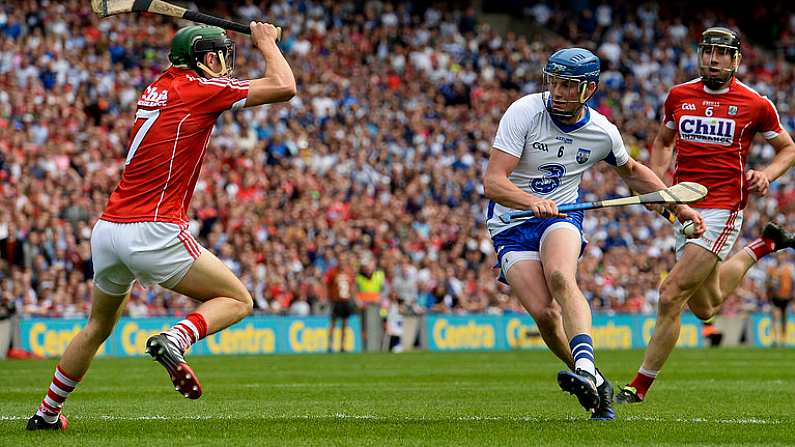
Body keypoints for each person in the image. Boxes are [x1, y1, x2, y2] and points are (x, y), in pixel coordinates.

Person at [26, 22, 295, 431]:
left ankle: (47, 413)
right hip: (153, 228)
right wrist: (266, 43)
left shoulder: (160, 85)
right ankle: (176, 340)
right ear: (205, 59)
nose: (225, 64)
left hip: (109, 229)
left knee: (97, 327)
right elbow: (284, 85)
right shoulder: (202, 90)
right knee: (238, 300)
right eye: (221, 55)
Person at [482, 48, 704, 420]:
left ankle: (583, 367)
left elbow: (633, 172)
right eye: (555, 82)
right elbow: (493, 182)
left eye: (569, 85)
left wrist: (678, 207)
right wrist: (529, 200)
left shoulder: (602, 131)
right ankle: (596, 380)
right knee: (545, 315)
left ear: (589, 89)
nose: (559, 91)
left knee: (559, 275)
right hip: (510, 222)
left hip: (562, 216)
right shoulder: (523, 112)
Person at [616, 27, 795, 404]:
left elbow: (787, 149)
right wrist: (659, 184)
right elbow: (663, 142)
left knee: (670, 295)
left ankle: (638, 386)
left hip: (724, 208)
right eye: (707, 52)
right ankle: (765, 244)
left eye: (721, 53)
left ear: (736, 60)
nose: (712, 59)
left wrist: (766, 174)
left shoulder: (755, 103)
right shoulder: (679, 96)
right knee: (706, 305)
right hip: (684, 205)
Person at [326, 254, 358, 353]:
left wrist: (353, 298)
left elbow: (352, 286)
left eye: (343, 260)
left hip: (346, 301)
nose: (342, 262)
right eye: (340, 260)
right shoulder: (333, 272)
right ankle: (330, 345)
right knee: (333, 323)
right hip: (336, 301)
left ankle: (342, 346)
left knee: (344, 324)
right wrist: (330, 298)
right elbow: (328, 285)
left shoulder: (349, 272)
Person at [766, 255, 792, 347]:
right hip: (775, 297)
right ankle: (775, 339)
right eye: (779, 256)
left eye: (782, 256)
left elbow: (792, 284)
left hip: (786, 297)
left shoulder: (789, 269)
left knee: (784, 320)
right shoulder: (771, 269)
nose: (780, 258)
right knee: (775, 318)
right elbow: (767, 283)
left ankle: (783, 340)